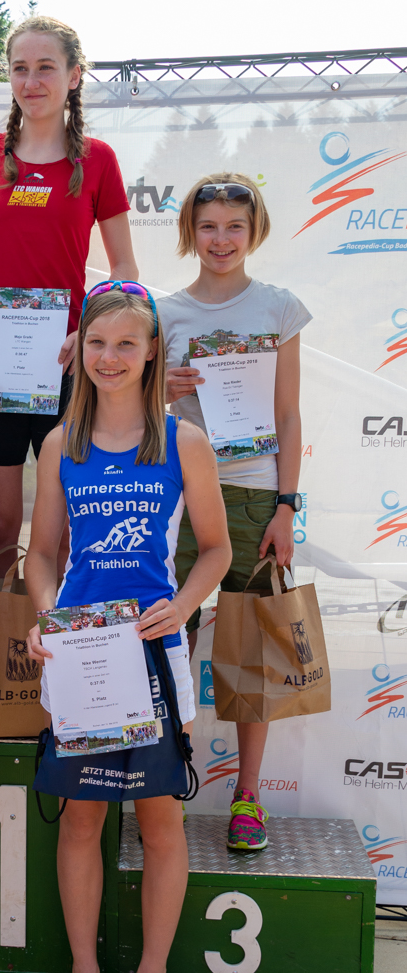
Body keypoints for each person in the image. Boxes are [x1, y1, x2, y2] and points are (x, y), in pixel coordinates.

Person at [25, 283, 230, 973]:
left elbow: (217, 550)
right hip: (82, 655)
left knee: (159, 820)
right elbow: (41, 556)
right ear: (78, 348)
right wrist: (46, 615)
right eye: (97, 343)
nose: (109, 358)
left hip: (153, 657)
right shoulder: (61, 444)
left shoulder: (183, 442)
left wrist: (182, 606)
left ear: (151, 354)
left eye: (125, 344)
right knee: (81, 819)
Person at [0, 15, 137, 578]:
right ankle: (1, 635)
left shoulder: (98, 159)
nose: (31, 82)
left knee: (65, 533)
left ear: (74, 76)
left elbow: (125, 270)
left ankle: (57, 635)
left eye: (45, 68)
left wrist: (92, 332)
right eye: (20, 69)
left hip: (68, 368)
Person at [159, 173, 312, 851]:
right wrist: (161, 388)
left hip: (254, 497)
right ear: (190, 231)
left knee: (252, 652)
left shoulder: (278, 308)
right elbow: (136, 409)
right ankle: (168, 781)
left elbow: (288, 413)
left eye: (234, 227)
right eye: (209, 226)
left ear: (255, 232)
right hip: (181, 495)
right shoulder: (164, 313)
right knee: (172, 640)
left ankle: (248, 795)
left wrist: (286, 506)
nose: (221, 240)